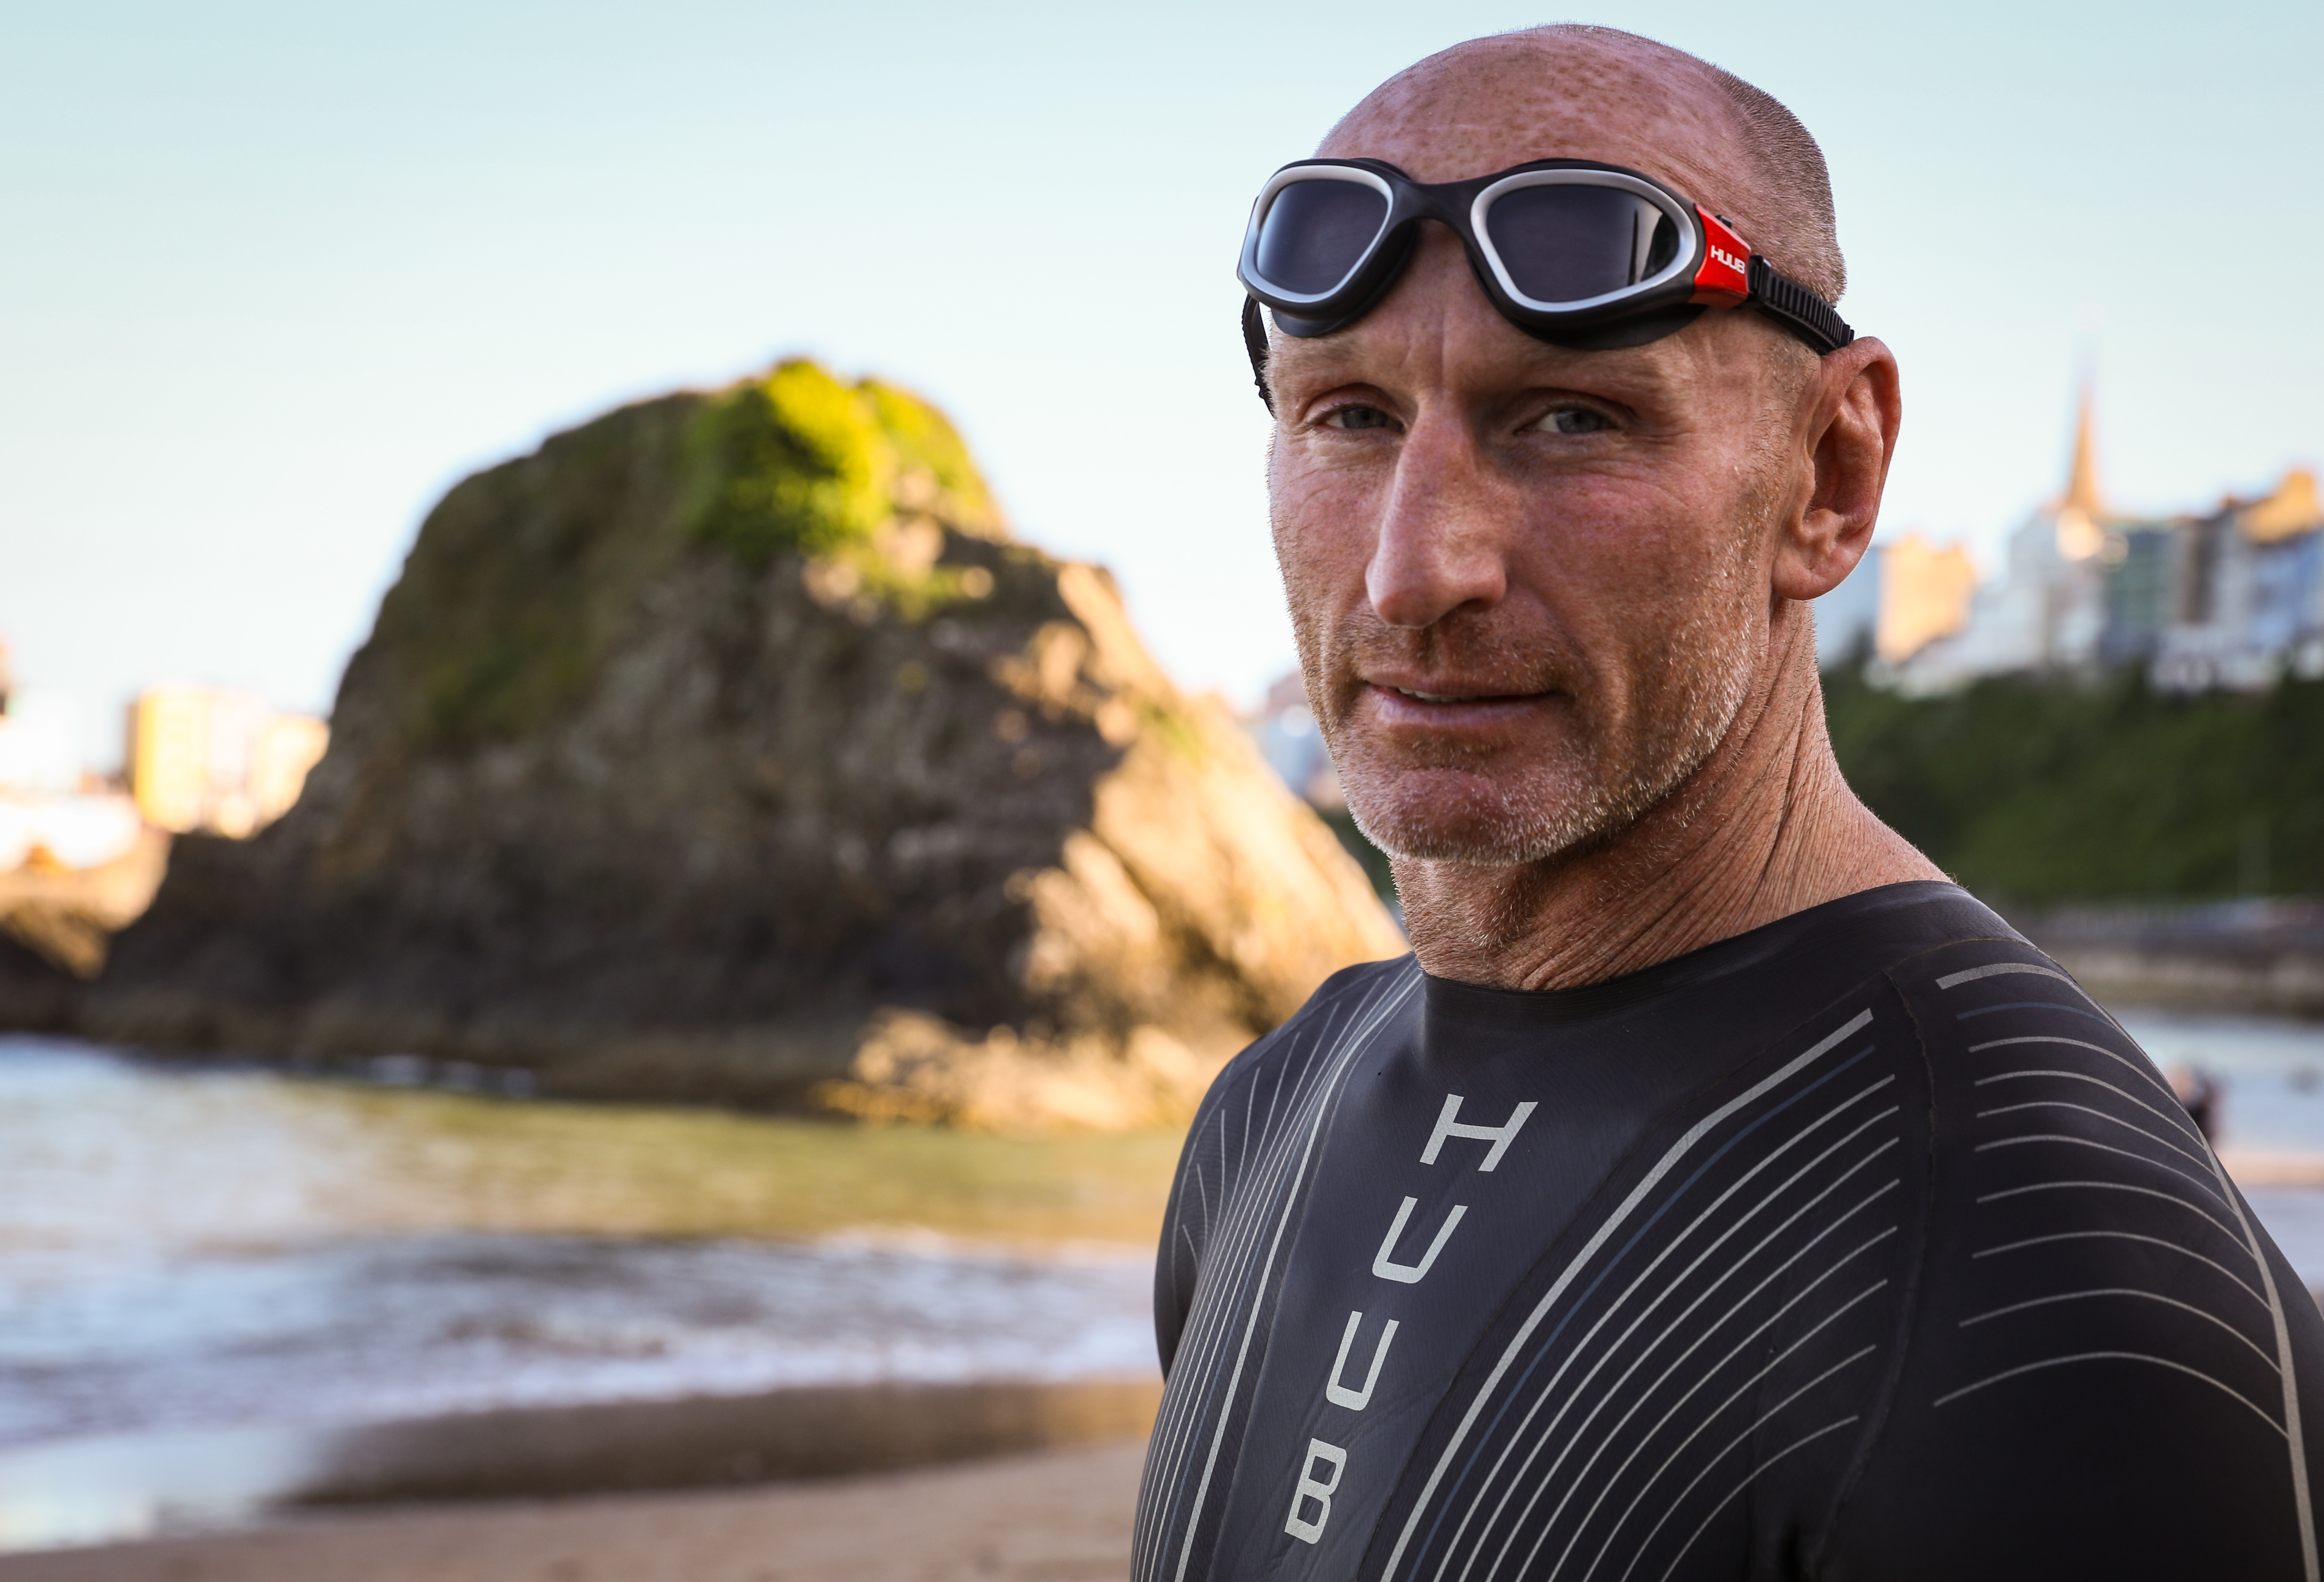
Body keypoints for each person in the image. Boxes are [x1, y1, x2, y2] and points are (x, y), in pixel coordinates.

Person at [1135, 25, 2324, 1582]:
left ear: (1831, 474)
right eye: (1348, 417)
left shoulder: (2050, 1286)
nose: (1414, 570)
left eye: (1570, 419)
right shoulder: (1270, 1115)